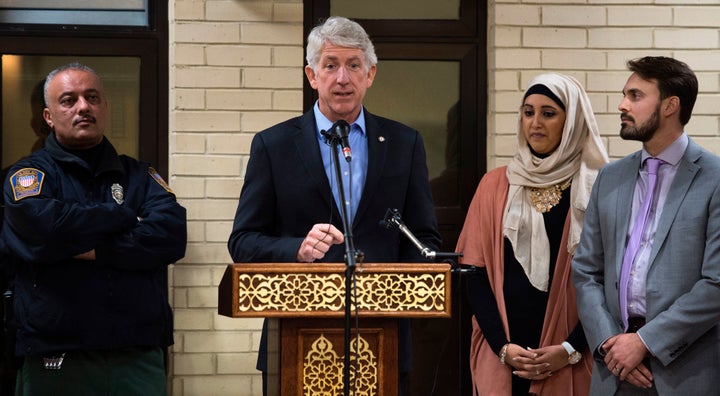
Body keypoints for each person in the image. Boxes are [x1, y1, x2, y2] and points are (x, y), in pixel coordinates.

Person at [227, 16, 441, 395]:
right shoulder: (273, 146)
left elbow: (422, 237)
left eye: (353, 65)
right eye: (330, 65)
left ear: (370, 74)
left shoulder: (404, 143)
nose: (342, 78)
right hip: (296, 344)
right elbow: (243, 241)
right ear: (312, 75)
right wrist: (296, 247)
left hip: (384, 341)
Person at [0, 62, 187, 395]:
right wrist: (125, 216)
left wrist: (96, 249)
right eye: (68, 100)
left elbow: (170, 236)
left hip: (137, 352)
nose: (83, 107)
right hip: (55, 352)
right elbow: (43, 229)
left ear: (104, 107)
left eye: (92, 97)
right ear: (48, 116)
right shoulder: (27, 176)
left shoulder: (140, 176)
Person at [572, 56, 720, 395]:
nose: (622, 105)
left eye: (636, 96)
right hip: (613, 370)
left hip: (685, 370)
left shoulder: (714, 178)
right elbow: (585, 271)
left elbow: (716, 283)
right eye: (625, 94)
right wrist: (610, 342)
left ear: (670, 106)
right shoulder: (610, 177)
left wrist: (645, 342)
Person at [456, 73, 608, 395]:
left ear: (572, 121)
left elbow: (611, 280)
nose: (535, 122)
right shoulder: (495, 184)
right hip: (504, 355)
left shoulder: (598, 188)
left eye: (548, 113)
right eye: (528, 112)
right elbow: (474, 273)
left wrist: (570, 348)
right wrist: (502, 347)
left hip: (574, 355)